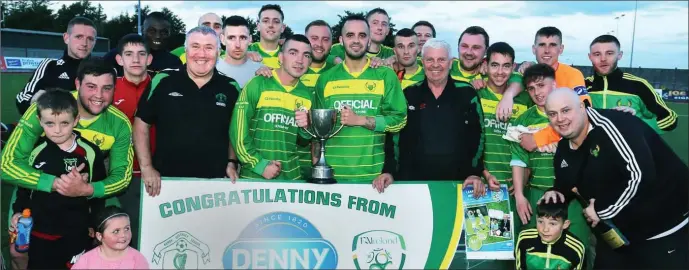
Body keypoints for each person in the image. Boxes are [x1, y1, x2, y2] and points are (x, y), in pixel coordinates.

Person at [541, 88, 689, 269]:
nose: (560, 119)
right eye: (552, 114)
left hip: (662, 231)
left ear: (582, 106)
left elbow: (640, 176)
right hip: (617, 237)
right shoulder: (565, 146)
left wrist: (602, 211)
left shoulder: (615, 125)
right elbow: (567, 182)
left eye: (566, 110)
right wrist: (556, 192)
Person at [2, 57, 133, 201]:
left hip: (88, 194)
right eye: (91, 86)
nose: (99, 95)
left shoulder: (120, 123)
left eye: (107, 88)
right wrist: (58, 184)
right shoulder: (44, 107)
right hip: (36, 188)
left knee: (118, 222)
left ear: (115, 88)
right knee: (21, 221)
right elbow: (7, 164)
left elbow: (122, 177)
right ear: (78, 84)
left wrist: (87, 189)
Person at [134, 26, 240, 197]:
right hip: (167, 182)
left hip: (216, 183)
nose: (202, 54)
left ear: (218, 52)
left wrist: (231, 162)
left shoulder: (231, 87)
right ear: (186, 50)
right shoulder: (163, 80)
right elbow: (141, 124)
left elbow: (235, 130)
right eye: (195, 46)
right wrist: (147, 168)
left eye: (209, 47)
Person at [8, 90, 106, 269]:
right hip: (40, 231)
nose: (57, 130)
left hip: (77, 231)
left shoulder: (89, 152)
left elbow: (99, 190)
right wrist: (19, 211)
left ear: (75, 121)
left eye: (65, 123)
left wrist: (95, 223)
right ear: (39, 121)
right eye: (50, 123)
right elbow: (24, 188)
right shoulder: (34, 151)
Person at [310, 14, 406, 185]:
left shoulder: (385, 75)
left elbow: (400, 120)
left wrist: (360, 120)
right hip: (331, 178)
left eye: (362, 36)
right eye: (350, 35)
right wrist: (317, 168)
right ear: (341, 40)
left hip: (374, 180)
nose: (356, 40)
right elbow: (317, 133)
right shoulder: (325, 79)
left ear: (369, 40)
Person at [510, 64, 591, 256]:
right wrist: (520, 196)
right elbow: (518, 160)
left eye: (541, 85)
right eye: (531, 88)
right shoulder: (523, 120)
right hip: (538, 192)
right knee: (533, 252)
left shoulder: (571, 115)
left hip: (573, 195)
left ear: (554, 84)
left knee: (575, 250)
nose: (537, 92)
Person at [396, 39, 486, 196]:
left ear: (450, 62)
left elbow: (479, 136)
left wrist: (474, 172)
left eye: (441, 59)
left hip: (459, 184)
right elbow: (395, 137)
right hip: (414, 185)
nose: (435, 65)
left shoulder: (467, 93)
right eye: (430, 59)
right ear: (423, 62)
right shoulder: (409, 94)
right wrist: (391, 171)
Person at [230, 34, 314, 180]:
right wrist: (259, 165)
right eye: (293, 53)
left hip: (291, 180)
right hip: (255, 177)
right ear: (281, 57)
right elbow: (237, 132)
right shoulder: (257, 83)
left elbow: (303, 142)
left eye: (306, 55)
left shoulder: (306, 94)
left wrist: (306, 127)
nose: (300, 60)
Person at [476, 42, 533, 235]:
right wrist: (482, 172)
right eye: (495, 65)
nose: (500, 72)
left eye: (506, 66)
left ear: (513, 67)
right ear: (486, 65)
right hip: (484, 186)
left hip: (516, 188)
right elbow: (468, 142)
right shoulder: (476, 92)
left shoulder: (525, 98)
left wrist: (526, 175)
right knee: (487, 249)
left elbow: (532, 140)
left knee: (515, 251)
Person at [111, 33, 154, 249]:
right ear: (119, 60)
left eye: (141, 54)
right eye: (129, 54)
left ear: (149, 59)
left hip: (157, 173)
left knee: (156, 230)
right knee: (126, 232)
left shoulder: (161, 85)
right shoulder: (109, 89)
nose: (135, 60)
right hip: (122, 175)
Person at [518, 27, 591, 152]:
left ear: (561, 49)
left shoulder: (572, 75)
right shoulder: (525, 73)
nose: (547, 50)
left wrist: (539, 138)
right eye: (542, 45)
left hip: (566, 148)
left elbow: (585, 112)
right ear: (533, 49)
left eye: (552, 45)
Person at [586, 34, 677, 133]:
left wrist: (634, 123)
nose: (603, 59)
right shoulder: (582, 85)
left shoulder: (638, 85)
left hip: (631, 147)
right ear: (590, 57)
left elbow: (670, 119)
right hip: (592, 147)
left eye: (609, 53)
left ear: (619, 55)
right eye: (597, 54)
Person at [15, 17, 97, 115]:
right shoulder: (49, 66)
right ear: (66, 38)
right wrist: (32, 101)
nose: (84, 43)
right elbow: (22, 99)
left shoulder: (103, 70)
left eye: (90, 39)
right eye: (79, 37)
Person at [453, 26, 524, 122]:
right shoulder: (445, 67)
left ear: (486, 51)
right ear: (458, 47)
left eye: (476, 47)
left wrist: (508, 95)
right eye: (464, 46)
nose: (469, 52)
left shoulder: (490, 74)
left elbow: (519, 79)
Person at [105, 12, 182, 76]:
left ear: (170, 33)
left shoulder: (174, 62)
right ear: (142, 30)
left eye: (163, 32)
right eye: (152, 31)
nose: (158, 36)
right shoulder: (117, 56)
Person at [72, 206, 149, 269]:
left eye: (127, 229)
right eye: (116, 231)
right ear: (99, 236)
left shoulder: (137, 259)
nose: (123, 235)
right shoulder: (86, 261)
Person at [516, 201, 586, 270]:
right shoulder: (524, 239)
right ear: (536, 218)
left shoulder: (576, 248)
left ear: (565, 224)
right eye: (540, 221)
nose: (545, 229)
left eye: (552, 223)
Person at [328, 8, 396, 66]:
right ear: (365, 26)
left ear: (388, 30)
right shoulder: (339, 48)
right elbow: (321, 57)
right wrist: (334, 59)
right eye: (375, 23)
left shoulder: (390, 52)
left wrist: (395, 58)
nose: (380, 27)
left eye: (384, 24)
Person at [216, 16, 265, 88]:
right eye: (231, 38)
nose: (237, 45)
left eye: (243, 38)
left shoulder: (261, 71)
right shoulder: (212, 69)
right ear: (222, 39)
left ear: (250, 40)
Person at [247, 4, 286, 69]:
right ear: (258, 26)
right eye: (265, 21)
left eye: (276, 22)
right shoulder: (246, 50)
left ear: (283, 28)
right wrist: (242, 57)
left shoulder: (289, 54)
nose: (270, 25)